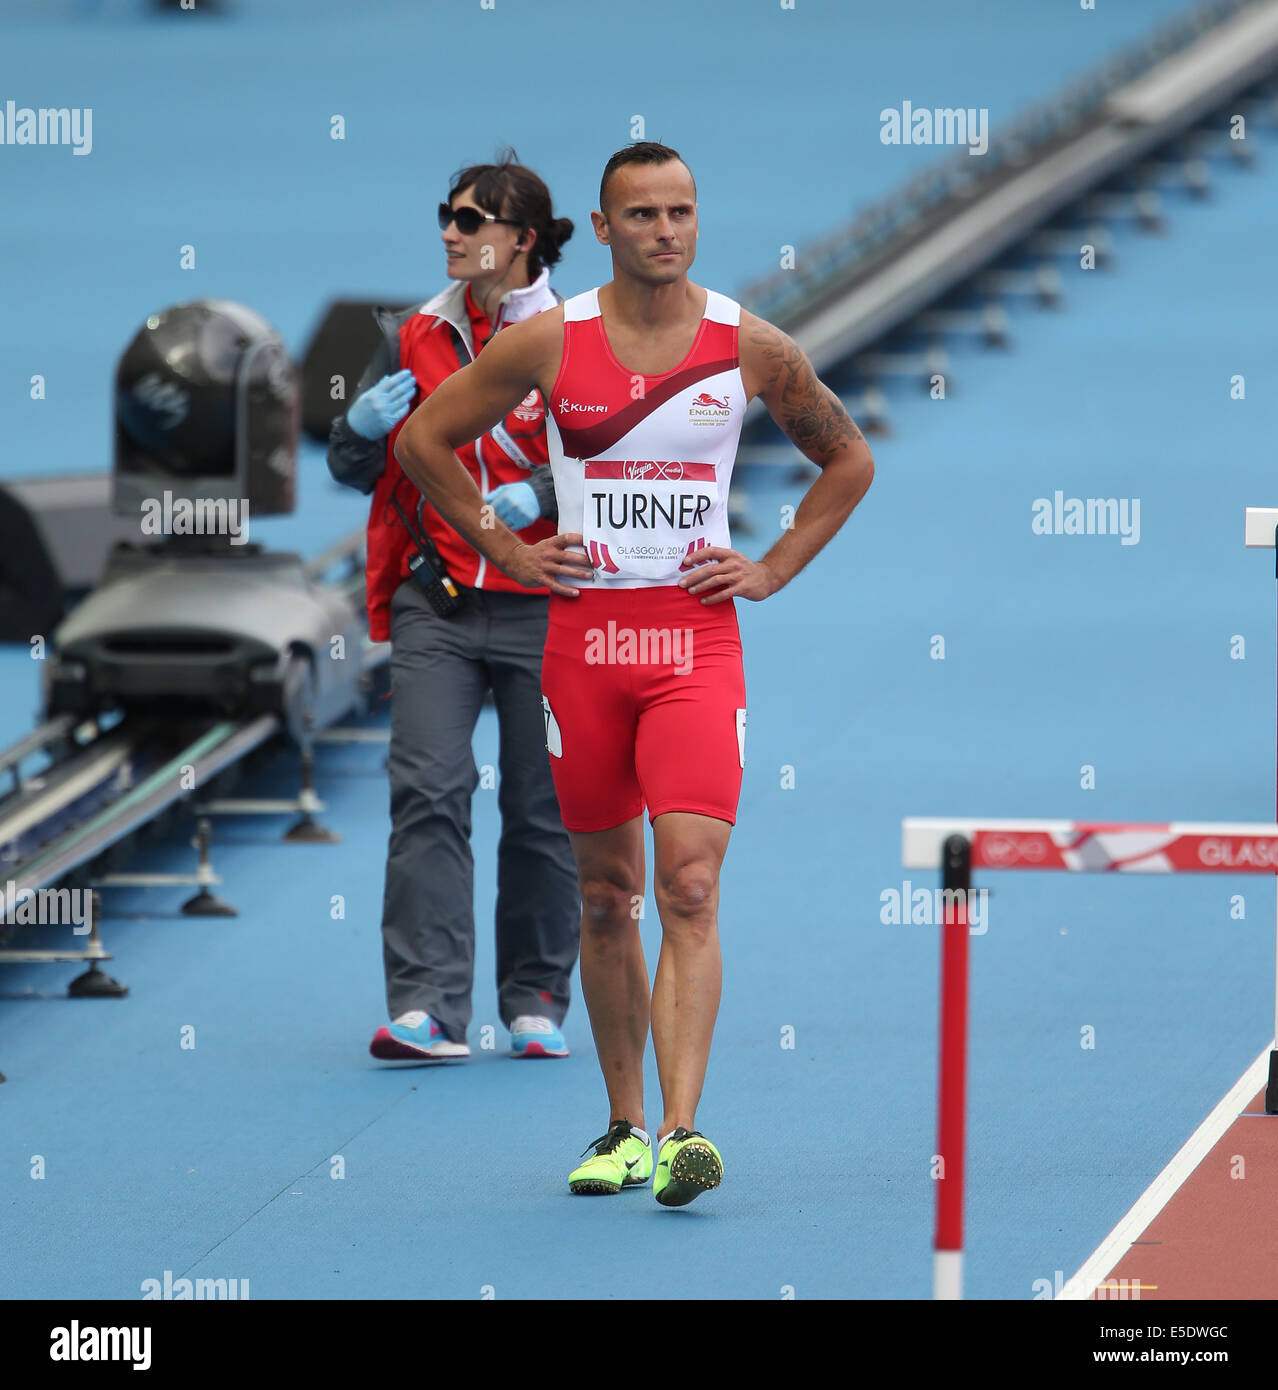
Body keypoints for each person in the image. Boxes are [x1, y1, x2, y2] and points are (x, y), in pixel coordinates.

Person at [393, 141, 874, 1201]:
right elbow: (426, 440)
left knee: (690, 884)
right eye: (643, 214)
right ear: (602, 231)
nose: (666, 229)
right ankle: (619, 1124)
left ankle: (685, 1129)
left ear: (698, 222)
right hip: (584, 647)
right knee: (607, 898)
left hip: (692, 645)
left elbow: (849, 459)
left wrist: (775, 566)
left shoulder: (748, 346)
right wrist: (510, 549)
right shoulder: (549, 344)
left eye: (682, 211)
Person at [326, 153, 581, 1065]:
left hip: (544, 598)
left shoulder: (575, 334)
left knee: (542, 806)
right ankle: (429, 1007)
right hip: (435, 596)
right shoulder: (408, 335)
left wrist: (543, 490)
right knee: (427, 791)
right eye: (446, 216)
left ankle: (537, 997)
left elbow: (617, 459)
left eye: (470, 221)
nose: (450, 233)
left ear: (519, 241)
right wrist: (353, 433)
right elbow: (355, 471)